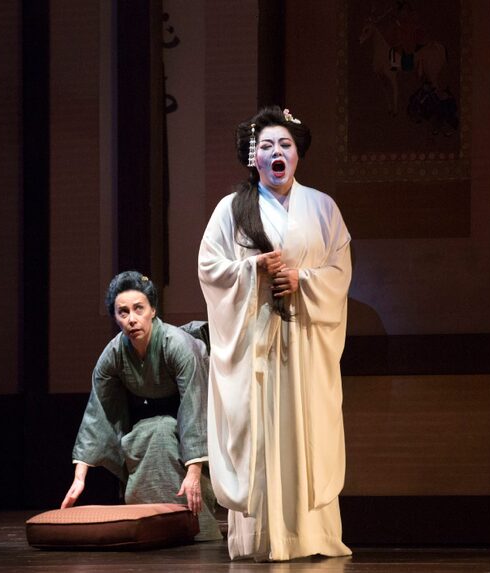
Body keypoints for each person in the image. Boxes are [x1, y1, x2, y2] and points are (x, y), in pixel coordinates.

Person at [198, 106, 352, 561]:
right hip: (255, 347)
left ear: (297, 155)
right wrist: (254, 270)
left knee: (308, 430)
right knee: (259, 434)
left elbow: (340, 270)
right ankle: (260, 540)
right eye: (266, 146)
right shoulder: (231, 210)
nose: (276, 152)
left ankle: (312, 536)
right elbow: (210, 269)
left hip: (304, 342)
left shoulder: (323, 207)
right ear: (253, 157)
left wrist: (301, 280)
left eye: (285, 144)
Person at [61, 271, 221, 541]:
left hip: (201, 413)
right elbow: (98, 410)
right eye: (122, 312)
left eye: (139, 309)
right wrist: (79, 477)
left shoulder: (179, 345)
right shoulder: (113, 354)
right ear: (114, 316)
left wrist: (194, 473)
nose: (131, 318)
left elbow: (195, 404)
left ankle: (194, 527)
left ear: (153, 310)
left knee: (165, 434)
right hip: (149, 419)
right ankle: (147, 527)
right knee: (141, 438)